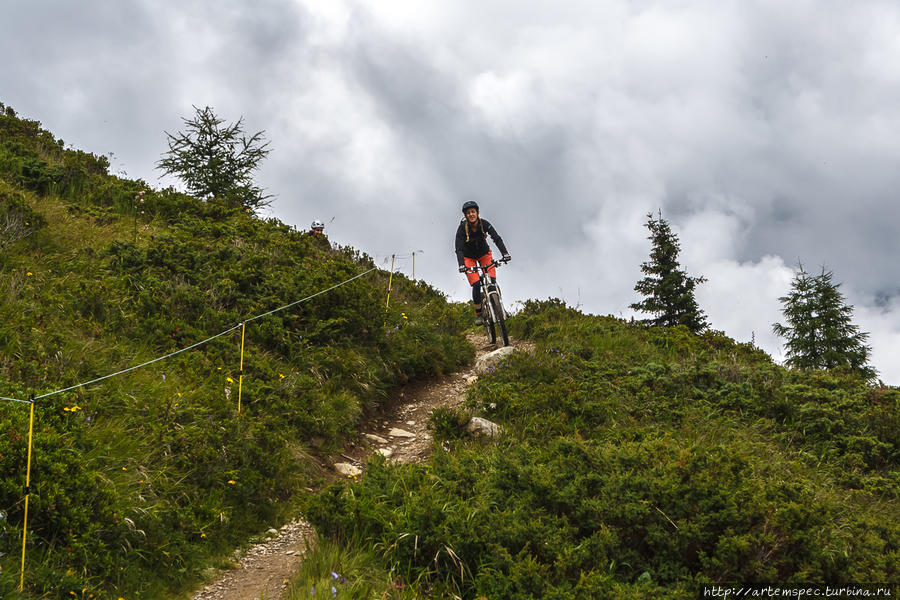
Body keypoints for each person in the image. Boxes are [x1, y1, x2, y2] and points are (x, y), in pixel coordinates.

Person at [455, 200, 511, 324]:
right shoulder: (461, 229)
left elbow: (496, 238)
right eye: (468, 213)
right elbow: (458, 249)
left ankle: (501, 309)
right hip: (468, 258)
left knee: (492, 282)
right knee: (475, 284)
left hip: (484, 254)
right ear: (465, 215)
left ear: (477, 212)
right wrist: (461, 265)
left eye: (473, 212)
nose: (471, 214)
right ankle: (479, 314)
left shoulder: (484, 224)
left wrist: (505, 253)